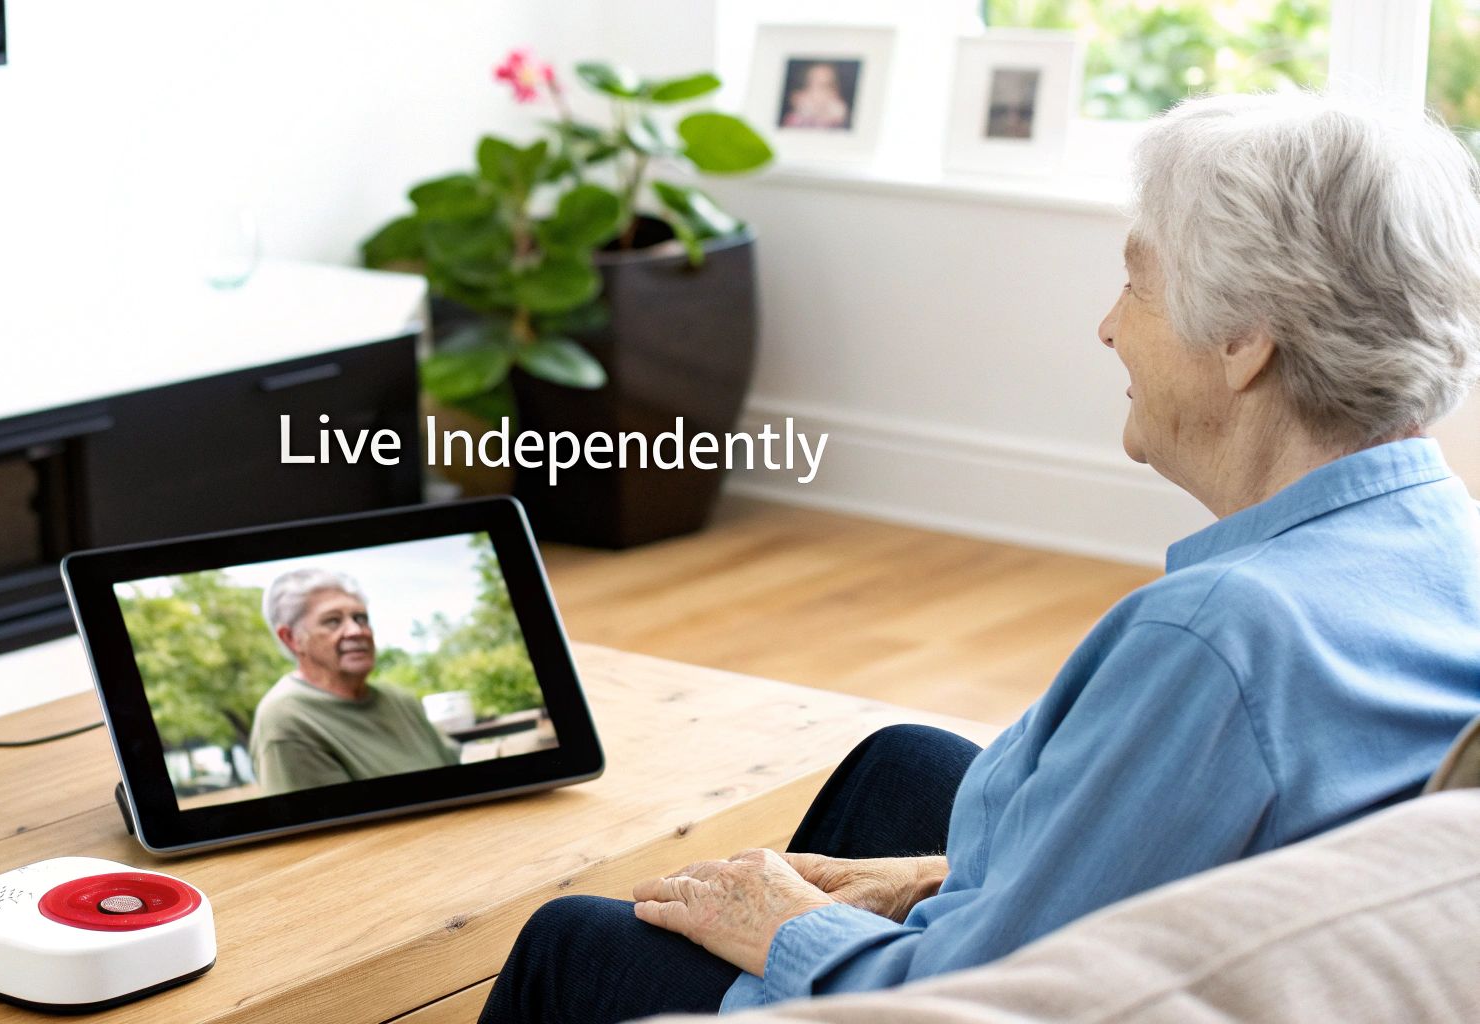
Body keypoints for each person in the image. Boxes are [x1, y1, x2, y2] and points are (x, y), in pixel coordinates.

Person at [479, 93, 1480, 1022]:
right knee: (902, 761)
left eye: (1134, 283)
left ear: (1244, 340)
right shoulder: (1445, 535)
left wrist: (788, 927)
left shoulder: (1216, 639)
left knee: (572, 942)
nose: (1103, 326)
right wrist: (919, 877)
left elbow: (980, 1001)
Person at [247, 568, 459, 796]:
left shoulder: (400, 700)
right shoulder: (286, 720)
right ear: (291, 639)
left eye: (361, 618)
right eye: (332, 621)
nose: (356, 631)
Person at [782, 63, 850, 129]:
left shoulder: (839, 117)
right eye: (819, 86)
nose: (825, 93)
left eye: (829, 86)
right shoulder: (795, 118)